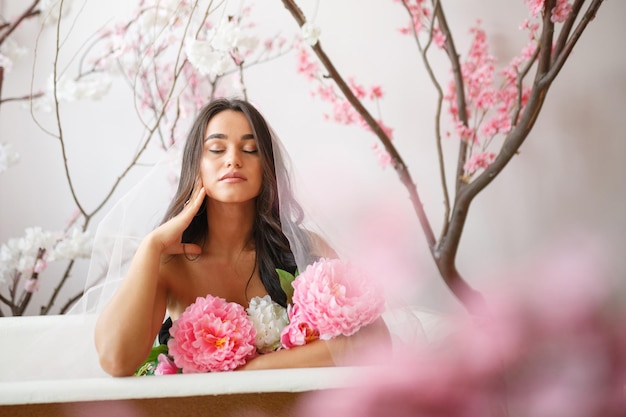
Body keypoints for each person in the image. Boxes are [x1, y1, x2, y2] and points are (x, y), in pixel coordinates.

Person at [94, 98, 390, 377]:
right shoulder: (169, 263)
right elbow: (116, 361)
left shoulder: (305, 247)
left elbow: (375, 342)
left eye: (250, 150)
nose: (233, 160)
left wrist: (252, 371)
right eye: (217, 149)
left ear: (267, 168)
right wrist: (151, 246)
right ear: (196, 165)